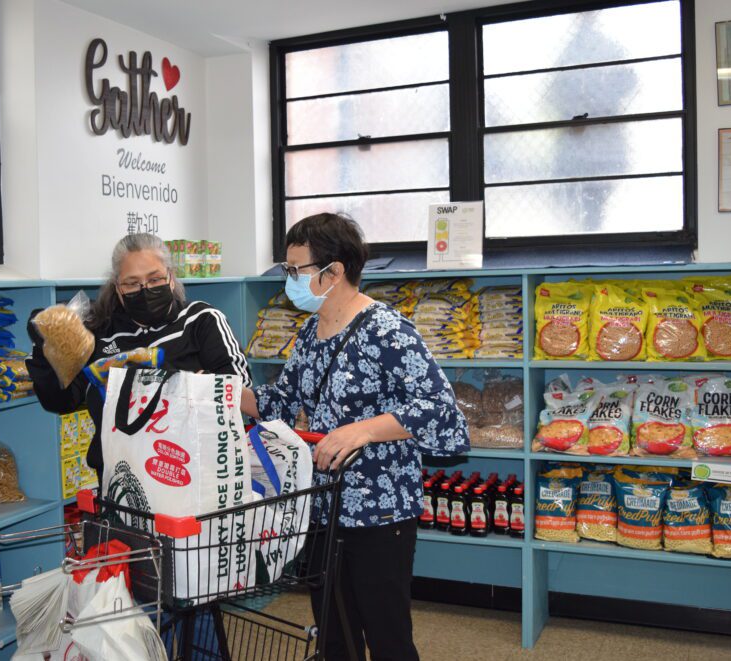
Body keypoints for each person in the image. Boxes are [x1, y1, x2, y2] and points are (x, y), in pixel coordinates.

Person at [241, 213, 469, 661]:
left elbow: (442, 412)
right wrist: (222, 394)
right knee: (334, 635)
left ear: (334, 271)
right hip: (325, 506)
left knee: (387, 638)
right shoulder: (309, 332)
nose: (289, 279)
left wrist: (363, 431)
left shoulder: (387, 330)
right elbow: (281, 401)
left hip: (381, 516)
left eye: (296, 269)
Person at [26, 233, 251, 484]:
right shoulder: (98, 334)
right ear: (118, 290)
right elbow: (61, 401)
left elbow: (239, 389)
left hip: (195, 480)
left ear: (171, 278)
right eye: (132, 283)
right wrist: (46, 351)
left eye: (154, 279)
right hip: (120, 485)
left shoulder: (202, 320)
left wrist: (164, 375)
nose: (145, 290)